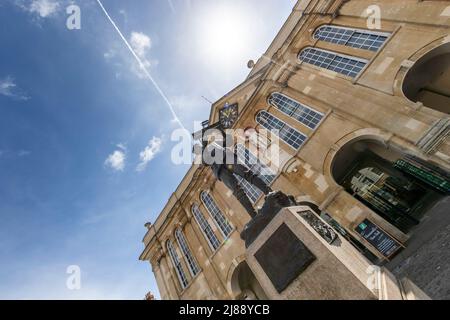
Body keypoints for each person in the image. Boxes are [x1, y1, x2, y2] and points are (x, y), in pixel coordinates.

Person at [200, 129, 272, 218]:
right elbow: (204, 161)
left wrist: (219, 133)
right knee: (237, 190)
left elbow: (227, 141)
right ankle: (253, 215)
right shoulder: (205, 150)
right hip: (220, 170)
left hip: (228, 159)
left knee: (247, 174)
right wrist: (205, 147)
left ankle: (268, 192)